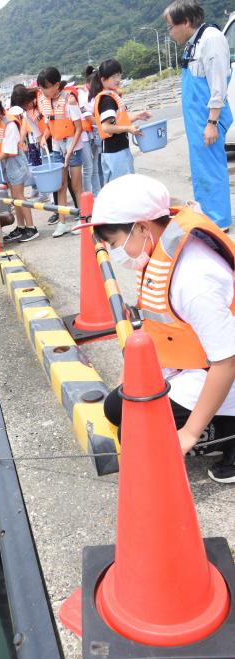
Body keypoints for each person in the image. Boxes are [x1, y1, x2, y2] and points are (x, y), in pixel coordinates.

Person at [83, 173, 235, 483]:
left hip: (222, 368)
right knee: (117, 408)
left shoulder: (194, 279)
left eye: (114, 243)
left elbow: (227, 360)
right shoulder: (161, 250)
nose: (117, 252)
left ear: (141, 227)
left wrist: (190, 434)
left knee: (138, 435)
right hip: (196, 365)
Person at [165, 0, 233, 230]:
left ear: (185, 22)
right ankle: (207, 215)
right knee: (202, 169)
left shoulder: (211, 39)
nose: (170, 33)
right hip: (197, 122)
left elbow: (218, 86)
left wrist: (212, 122)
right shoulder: (194, 43)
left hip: (207, 120)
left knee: (212, 169)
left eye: (170, 27)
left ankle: (218, 220)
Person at [0, 101, 39, 243]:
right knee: (14, 197)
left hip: (15, 162)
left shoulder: (10, 124)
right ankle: (21, 227)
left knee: (19, 196)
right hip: (6, 162)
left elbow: (8, 151)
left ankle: (31, 228)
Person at [37, 67, 83, 237]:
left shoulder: (70, 100)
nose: (42, 91)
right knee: (60, 186)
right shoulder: (44, 102)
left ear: (57, 85)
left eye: (45, 87)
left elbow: (78, 129)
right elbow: (50, 124)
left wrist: (70, 151)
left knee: (77, 185)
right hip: (57, 147)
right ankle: (62, 223)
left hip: (73, 146)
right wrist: (44, 137)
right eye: (41, 88)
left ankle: (82, 218)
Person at [89, 59, 151, 183]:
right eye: (113, 76)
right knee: (123, 186)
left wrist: (137, 116)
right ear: (103, 80)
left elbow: (117, 122)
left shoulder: (110, 96)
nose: (117, 79)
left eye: (119, 75)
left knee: (122, 185)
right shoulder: (106, 99)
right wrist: (129, 129)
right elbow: (106, 127)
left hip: (118, 149)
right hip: (115, 151)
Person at [78, 66, 102, 196]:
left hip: (94, 134)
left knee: (94, 168)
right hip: (84, 136)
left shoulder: (93, 94)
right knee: (88, 169)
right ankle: (88, 196)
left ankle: (97, 194)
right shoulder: (81, 94)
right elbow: (87, 115)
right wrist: (104, 125)